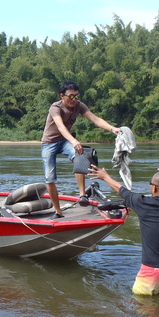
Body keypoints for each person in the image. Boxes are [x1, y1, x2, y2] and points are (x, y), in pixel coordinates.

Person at [89, 163, 159, 295]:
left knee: (142, 311)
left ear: (154, 188)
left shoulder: (142, 203)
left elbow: (120, 189)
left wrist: (105, 176)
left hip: (150, 274)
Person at [41, 81, 120, 217]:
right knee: (50, 177)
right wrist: (73, 140)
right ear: (62, 96)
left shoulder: (79, 106)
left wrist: (113, 129)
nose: (74, 99)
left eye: (76, 96)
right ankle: (58, 211)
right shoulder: (55, 108)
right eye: (71, 96)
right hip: (49, 143)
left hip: (64, 141)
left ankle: (82, 195)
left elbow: (95, 119)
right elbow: (60, 127)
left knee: (80, 156)